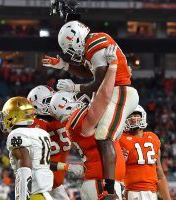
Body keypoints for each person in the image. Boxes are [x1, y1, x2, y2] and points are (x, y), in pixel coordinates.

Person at [42, 20, 139, 197]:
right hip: (112, 91)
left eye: (70, 47)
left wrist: (74, 87)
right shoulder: (92, 45)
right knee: (106, 135)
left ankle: (109, 189)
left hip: (119, 90)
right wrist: (64, 66)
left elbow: (99, 81)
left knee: (104, 135)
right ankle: (111, 187)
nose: (71, 54)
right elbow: (92, 74)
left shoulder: (96, 42)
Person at [50, 45, 124, 200]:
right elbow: (102, 98)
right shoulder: (77, 120)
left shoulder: (72, 123)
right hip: (100, 182)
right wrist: (112, 68)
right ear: (66, 104)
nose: (78, 100)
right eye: (73, 98)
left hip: (98, 180)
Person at [27, 85, 84, 200]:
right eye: (48, 100)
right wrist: (68, 167)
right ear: (36, 105)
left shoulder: (62, 118)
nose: (52, 102)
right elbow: (36, 161)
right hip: (38, 184)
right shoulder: (33, 126)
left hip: (56, 185)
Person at [0, 97, 53, 200]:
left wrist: (23, 198)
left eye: (6, 115)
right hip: (45, 195)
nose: (4, 118)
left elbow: (25, 168)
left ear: (15, 115)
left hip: (32, 195)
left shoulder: (17, 134)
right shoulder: (41, 133)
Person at [119, 105, 171, 200]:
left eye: (136, 115)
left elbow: (159, 172)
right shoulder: (121, 139)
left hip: (152, 193)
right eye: (130, 116)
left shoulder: (153, 138)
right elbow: (116, 171)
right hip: (132, 192)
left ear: (143, 116)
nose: (134, 118)